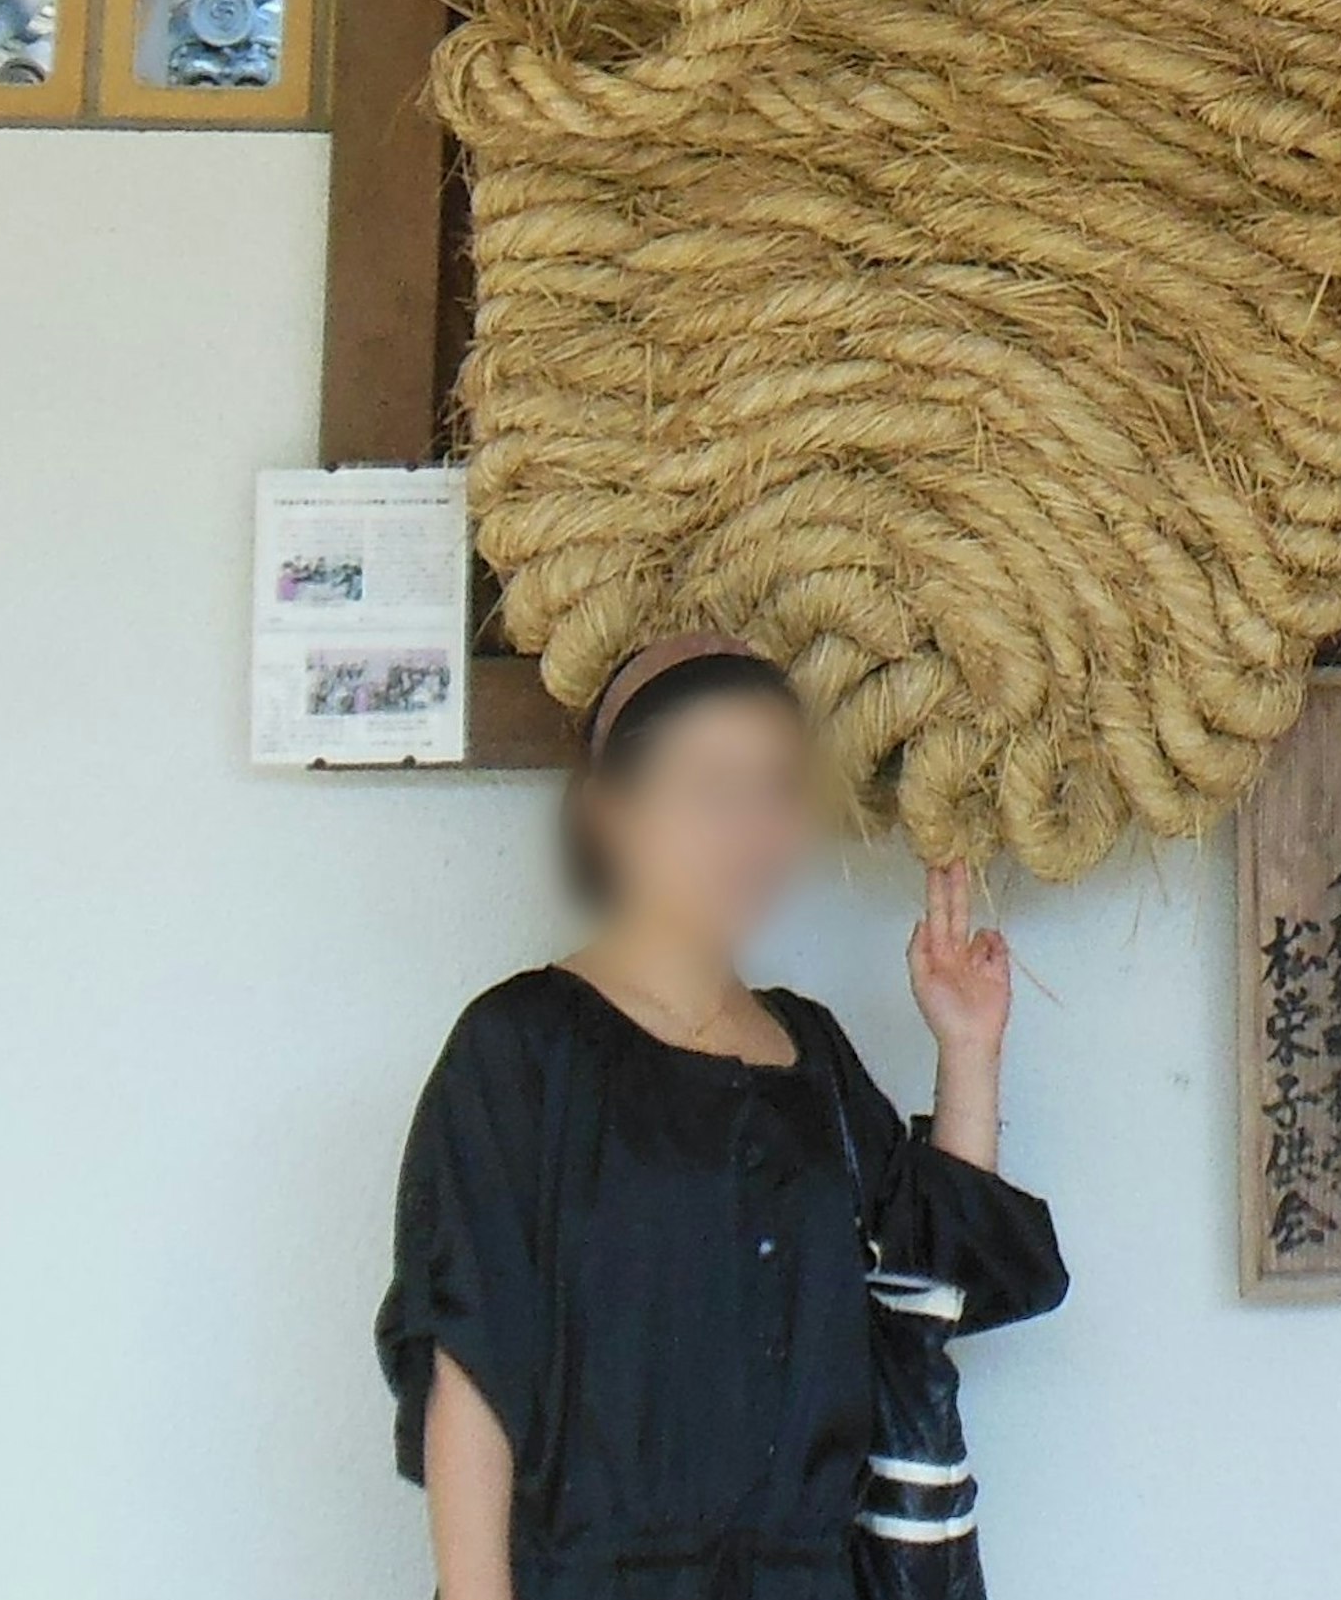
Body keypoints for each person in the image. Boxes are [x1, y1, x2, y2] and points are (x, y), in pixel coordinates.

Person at [380, 638, 1069, 1598]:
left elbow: (929, 1286)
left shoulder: (813, 1054)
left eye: (777, 787)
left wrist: (969, 1047)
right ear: (609, 812)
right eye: (711, 788)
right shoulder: (522, 1046)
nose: (751, 829)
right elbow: (471, 1364)